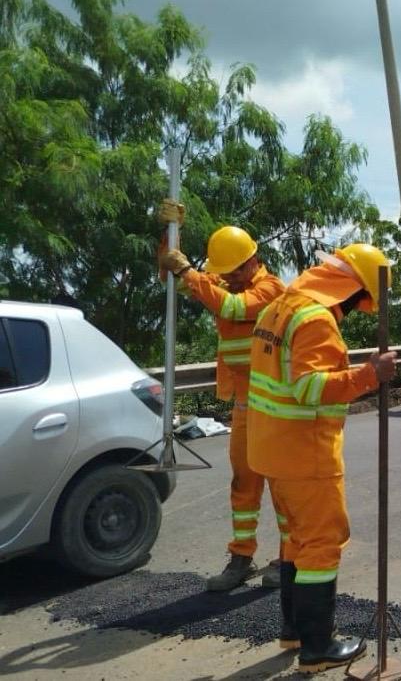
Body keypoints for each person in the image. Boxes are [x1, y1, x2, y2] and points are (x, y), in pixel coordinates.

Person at [246, 243, 397, 673]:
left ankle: (293, 632)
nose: (356, 310)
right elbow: (309, 388)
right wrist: (369, 376)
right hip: (305, 455)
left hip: (271, 450)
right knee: (322, 546)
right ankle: (318, 648)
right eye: (361, 301)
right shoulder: (315, 319)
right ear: (353, 290)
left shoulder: (280, 306)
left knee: (296, 542)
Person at [157, 200, 286, 590]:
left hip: (276, 407)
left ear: (250, 263)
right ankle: (242, 557)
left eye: (230, 273)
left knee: (282, 485)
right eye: (222, 275)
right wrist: (167, 233)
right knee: (243, 485)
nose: (225, 280)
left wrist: (187, 271)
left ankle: (290, 558)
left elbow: (229, 308)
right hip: (246, 406)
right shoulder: (227, 281)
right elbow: (170, 274)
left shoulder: (271, 288)